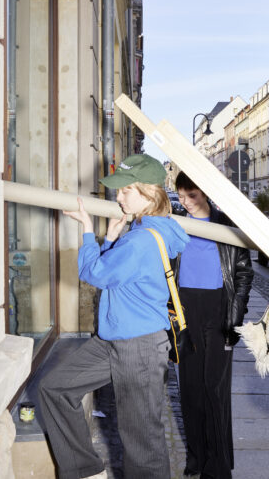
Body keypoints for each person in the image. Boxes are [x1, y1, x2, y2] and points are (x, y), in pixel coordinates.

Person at [38, 154, 189, 479]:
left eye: (125, 190)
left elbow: (96, 274)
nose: (118, 197)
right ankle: (85, 470)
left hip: (139, 348)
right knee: (55, 389)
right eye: (118, 190)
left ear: (149, 194)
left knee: (142, 443)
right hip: (116, 341)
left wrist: (88, 232)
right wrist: (109, 239)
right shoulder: (144, 231)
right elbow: (116, 273)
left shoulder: (141, 240)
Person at [173, 172, 253, 479]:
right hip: (186, 310)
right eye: (181, 197)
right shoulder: (177, 225)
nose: (187, 203)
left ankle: (218, 466)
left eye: (191, 196)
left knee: (215, 390)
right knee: (190, 390)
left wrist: (235, 317)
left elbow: (244, 275)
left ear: (204, 193)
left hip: (219, 310)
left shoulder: (226, 226)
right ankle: (196, 458)